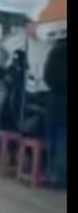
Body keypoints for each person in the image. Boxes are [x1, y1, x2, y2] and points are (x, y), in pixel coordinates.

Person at [43, 38, 67, 189]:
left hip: (54, 101)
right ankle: (59, 177)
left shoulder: (55, 51)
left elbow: (47, 77)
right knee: (63, 141)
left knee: (53, 139)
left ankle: (52, 174)